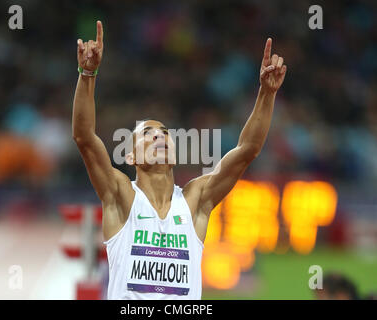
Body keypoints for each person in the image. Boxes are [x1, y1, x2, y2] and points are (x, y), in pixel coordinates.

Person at [72, 21, 286, 299]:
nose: (159, 137)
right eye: (148, 133)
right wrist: (87, 73)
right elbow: (84, 137)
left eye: (165, 133)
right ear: (131, 155)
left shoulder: (195, 201)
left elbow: (248, 149)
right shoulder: (121, 196)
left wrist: (266, 94)